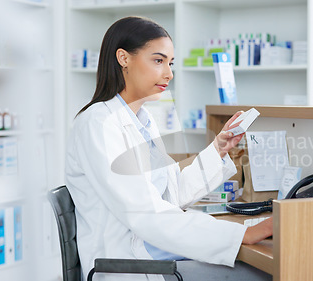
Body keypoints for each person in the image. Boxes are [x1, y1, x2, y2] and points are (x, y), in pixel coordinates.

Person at [65, 16, 273, 281]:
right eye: (158, 60)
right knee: (261, 275)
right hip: (133, 265)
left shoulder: (142, 120)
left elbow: (170, 194)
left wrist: (218, 149)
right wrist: (242, 233)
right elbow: (146, 213)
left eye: (170, 63)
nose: (169, 74)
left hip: (157, 253)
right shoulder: (98, 124)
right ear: (123, 58)